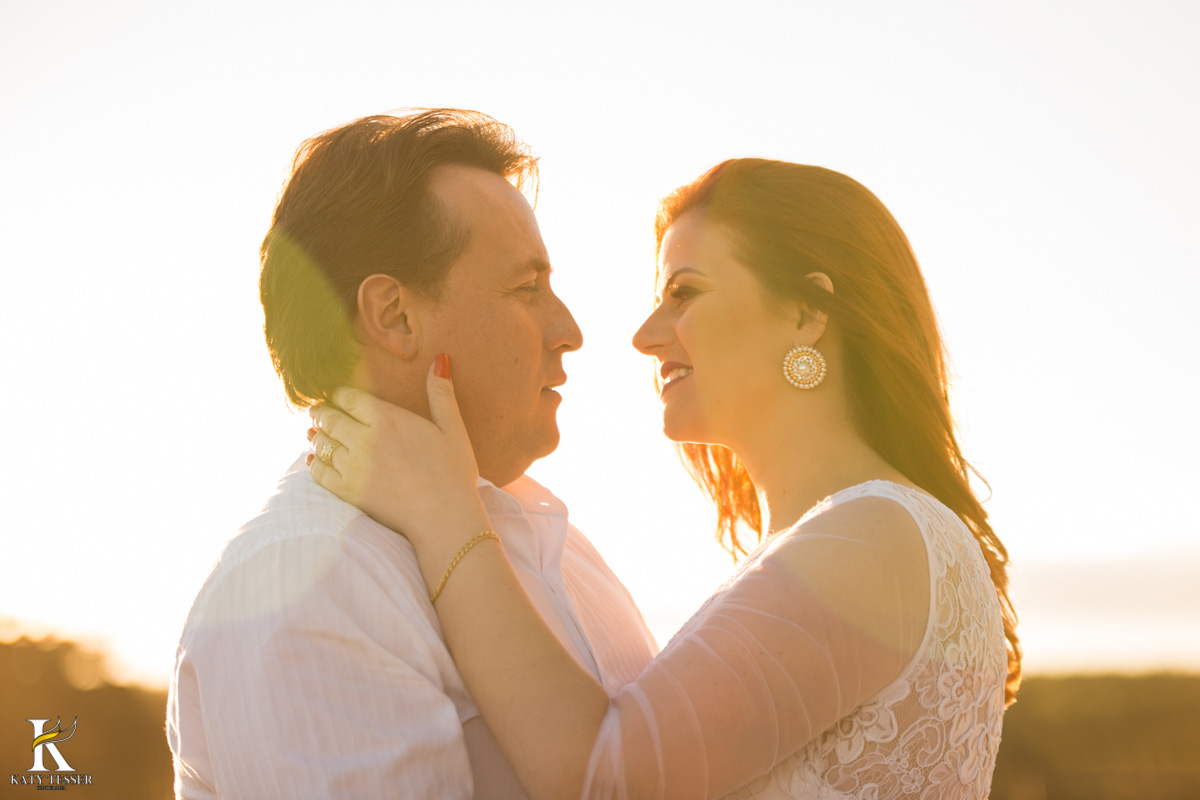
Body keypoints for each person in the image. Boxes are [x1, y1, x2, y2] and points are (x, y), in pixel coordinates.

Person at [308, 158, 1022, 799]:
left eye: (685, 291)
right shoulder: (858, 538)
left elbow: (603, 777)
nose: (647, 333)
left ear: (807, 313)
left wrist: (445, 514)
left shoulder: (872, 538)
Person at [166, 110, 658, 799]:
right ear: (394, 315)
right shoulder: (301, 580)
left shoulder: (555, 540)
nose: (569, 330)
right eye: (527, 288)